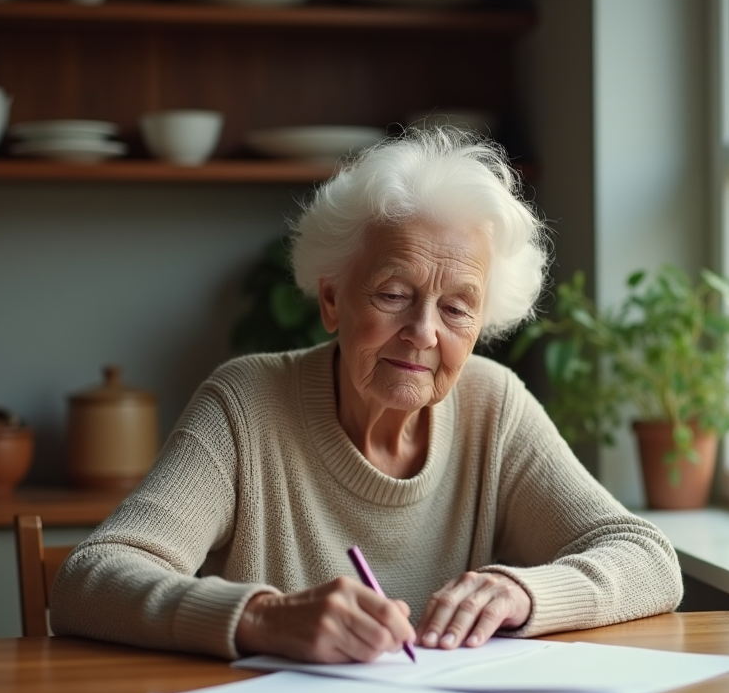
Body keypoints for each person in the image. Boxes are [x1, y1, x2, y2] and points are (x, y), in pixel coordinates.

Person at [50, 127, 683, 663]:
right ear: (332, 299)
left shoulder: (495, 406)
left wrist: (523, 593)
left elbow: (650, 560)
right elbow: (89, 580)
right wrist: (265, 617)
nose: (424, 333)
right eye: (393, 294)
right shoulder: (246, 406)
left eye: (458, 309)